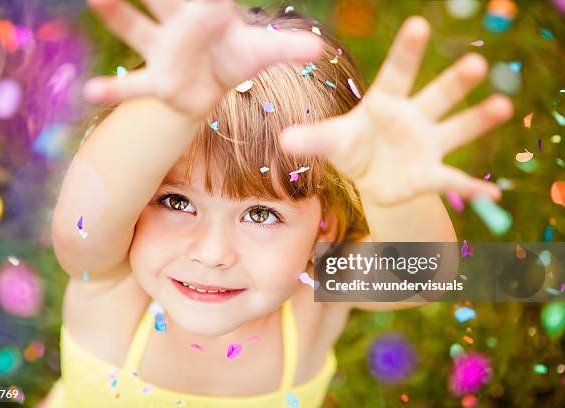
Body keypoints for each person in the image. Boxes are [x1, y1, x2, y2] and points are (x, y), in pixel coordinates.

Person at [43, 0, 513, 406]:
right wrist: (172, 111)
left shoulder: (314, 292)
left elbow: (421, 277)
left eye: (261, 213)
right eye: (176, 201)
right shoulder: (112, 284)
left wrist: (396, 191)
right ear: (137, 196)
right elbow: (79, 228)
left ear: (323, 226)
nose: (211, 253)